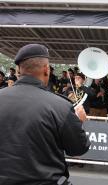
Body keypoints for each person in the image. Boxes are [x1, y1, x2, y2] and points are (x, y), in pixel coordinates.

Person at [0, 44, 90, 185]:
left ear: (18, 70)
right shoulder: (60, 106)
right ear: (46, 70)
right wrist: (80, 122)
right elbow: (78, 148)